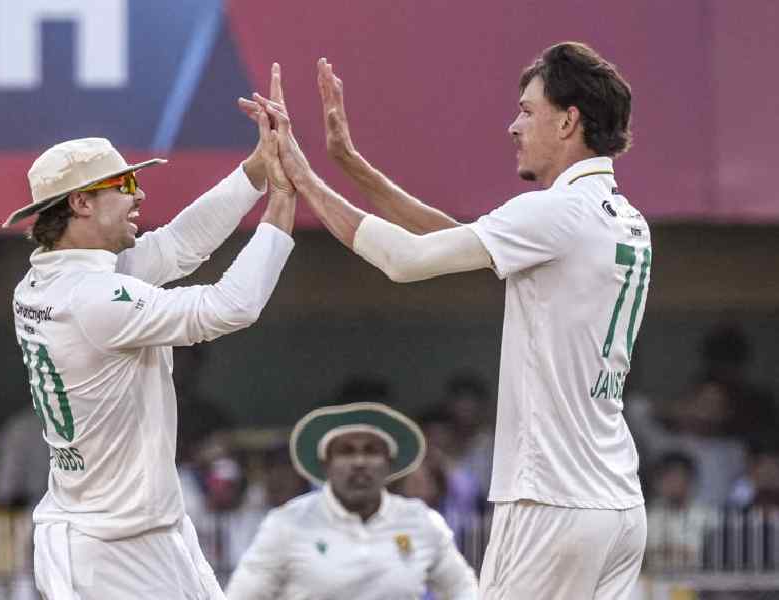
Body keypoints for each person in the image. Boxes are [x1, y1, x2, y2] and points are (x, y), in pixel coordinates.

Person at [253, 41, 649, 598]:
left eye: (527, 111)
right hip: (618, 504)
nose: (514, 126)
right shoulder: (623, 216)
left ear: (569, 121)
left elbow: (404, 259)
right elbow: (451, 240)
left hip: (551, 499)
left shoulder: (558, 210)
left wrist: (304, 177)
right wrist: (351, 166)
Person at [1, 66, 296, 599]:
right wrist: (282, 202)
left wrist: (256, 170)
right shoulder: (93, 298)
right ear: (81, 202)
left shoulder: (44, 281)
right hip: (111, 547)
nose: (139, 194)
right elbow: (231, 307)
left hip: (133, 528)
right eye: (125, 184)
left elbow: (180, 245)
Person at [226, 402, 479, 599]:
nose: (360, 462)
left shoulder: (422, 522)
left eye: (371, 451)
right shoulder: (287, 523)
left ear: (389, 464)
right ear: (325, 464)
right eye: (346, 451)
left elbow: (463, 590)